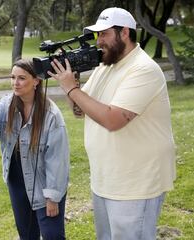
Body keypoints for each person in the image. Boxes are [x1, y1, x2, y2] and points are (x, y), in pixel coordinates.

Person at [48, 7, 176, 240]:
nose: (99, 41)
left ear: (124, 32)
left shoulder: (143, 69)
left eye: (105, 34)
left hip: (136, 183)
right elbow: (81, 110)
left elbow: (113, 120)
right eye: (98, 35)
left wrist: (71, 88)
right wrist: (71, 84)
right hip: (106, 179)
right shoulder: (106, 66)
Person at [0, 59, 70, 239]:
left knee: (52, 236)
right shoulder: (6, 104)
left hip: (44, 185)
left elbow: (58, 160)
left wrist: (53, 197)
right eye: (12, 77)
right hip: (17, 183)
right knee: (26, 235)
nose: (15, 83)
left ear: (36, 81)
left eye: (21, 78)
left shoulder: (52, 115)